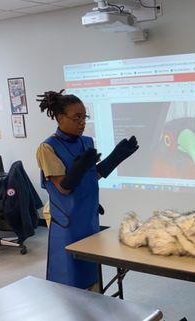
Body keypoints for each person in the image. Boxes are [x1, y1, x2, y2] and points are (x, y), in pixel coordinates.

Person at [36, 90, 139, 290]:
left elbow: (94, 175)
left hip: (88, 218)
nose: (82, 122)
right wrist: (79, 168)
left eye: (84, 117)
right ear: (59, 118)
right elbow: (63, 188)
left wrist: (117, 157)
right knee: (69, 279)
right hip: (68, 223)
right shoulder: (48, 148)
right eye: (77, 117)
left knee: (91, 274)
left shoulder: (86, 142)